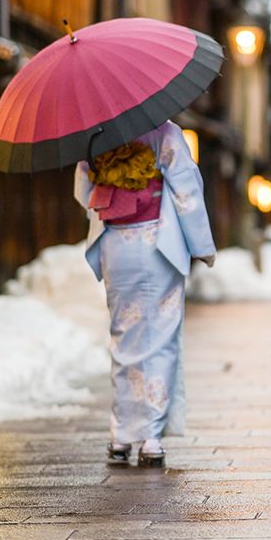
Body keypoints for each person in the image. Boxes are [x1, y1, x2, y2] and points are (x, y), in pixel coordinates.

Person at [74, 121, 216, 467]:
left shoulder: (92, 133)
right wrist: (202, 245)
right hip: (157, 241)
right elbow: (186, 191)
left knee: (124, 335)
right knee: (160, 337)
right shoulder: (163, 132)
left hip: (115, 243)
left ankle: (120, 434)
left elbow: (83, 191)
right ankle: (151, 437)